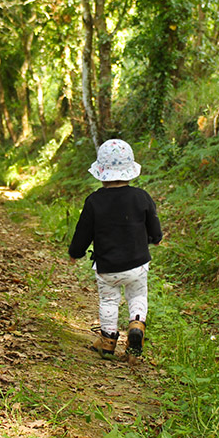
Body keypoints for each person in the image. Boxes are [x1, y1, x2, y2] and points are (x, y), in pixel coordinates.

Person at [68, 139, 162, 362]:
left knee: (109, 301)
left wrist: (76, 252)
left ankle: (108, 342)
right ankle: (137, 324)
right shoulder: (142, 197)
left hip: (107, 267)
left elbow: (83, 232)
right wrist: (156, 238)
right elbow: (153, 224)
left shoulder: (94, 201)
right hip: (137, 264)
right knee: (137, 295)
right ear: (130, 171)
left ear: (101, 173)